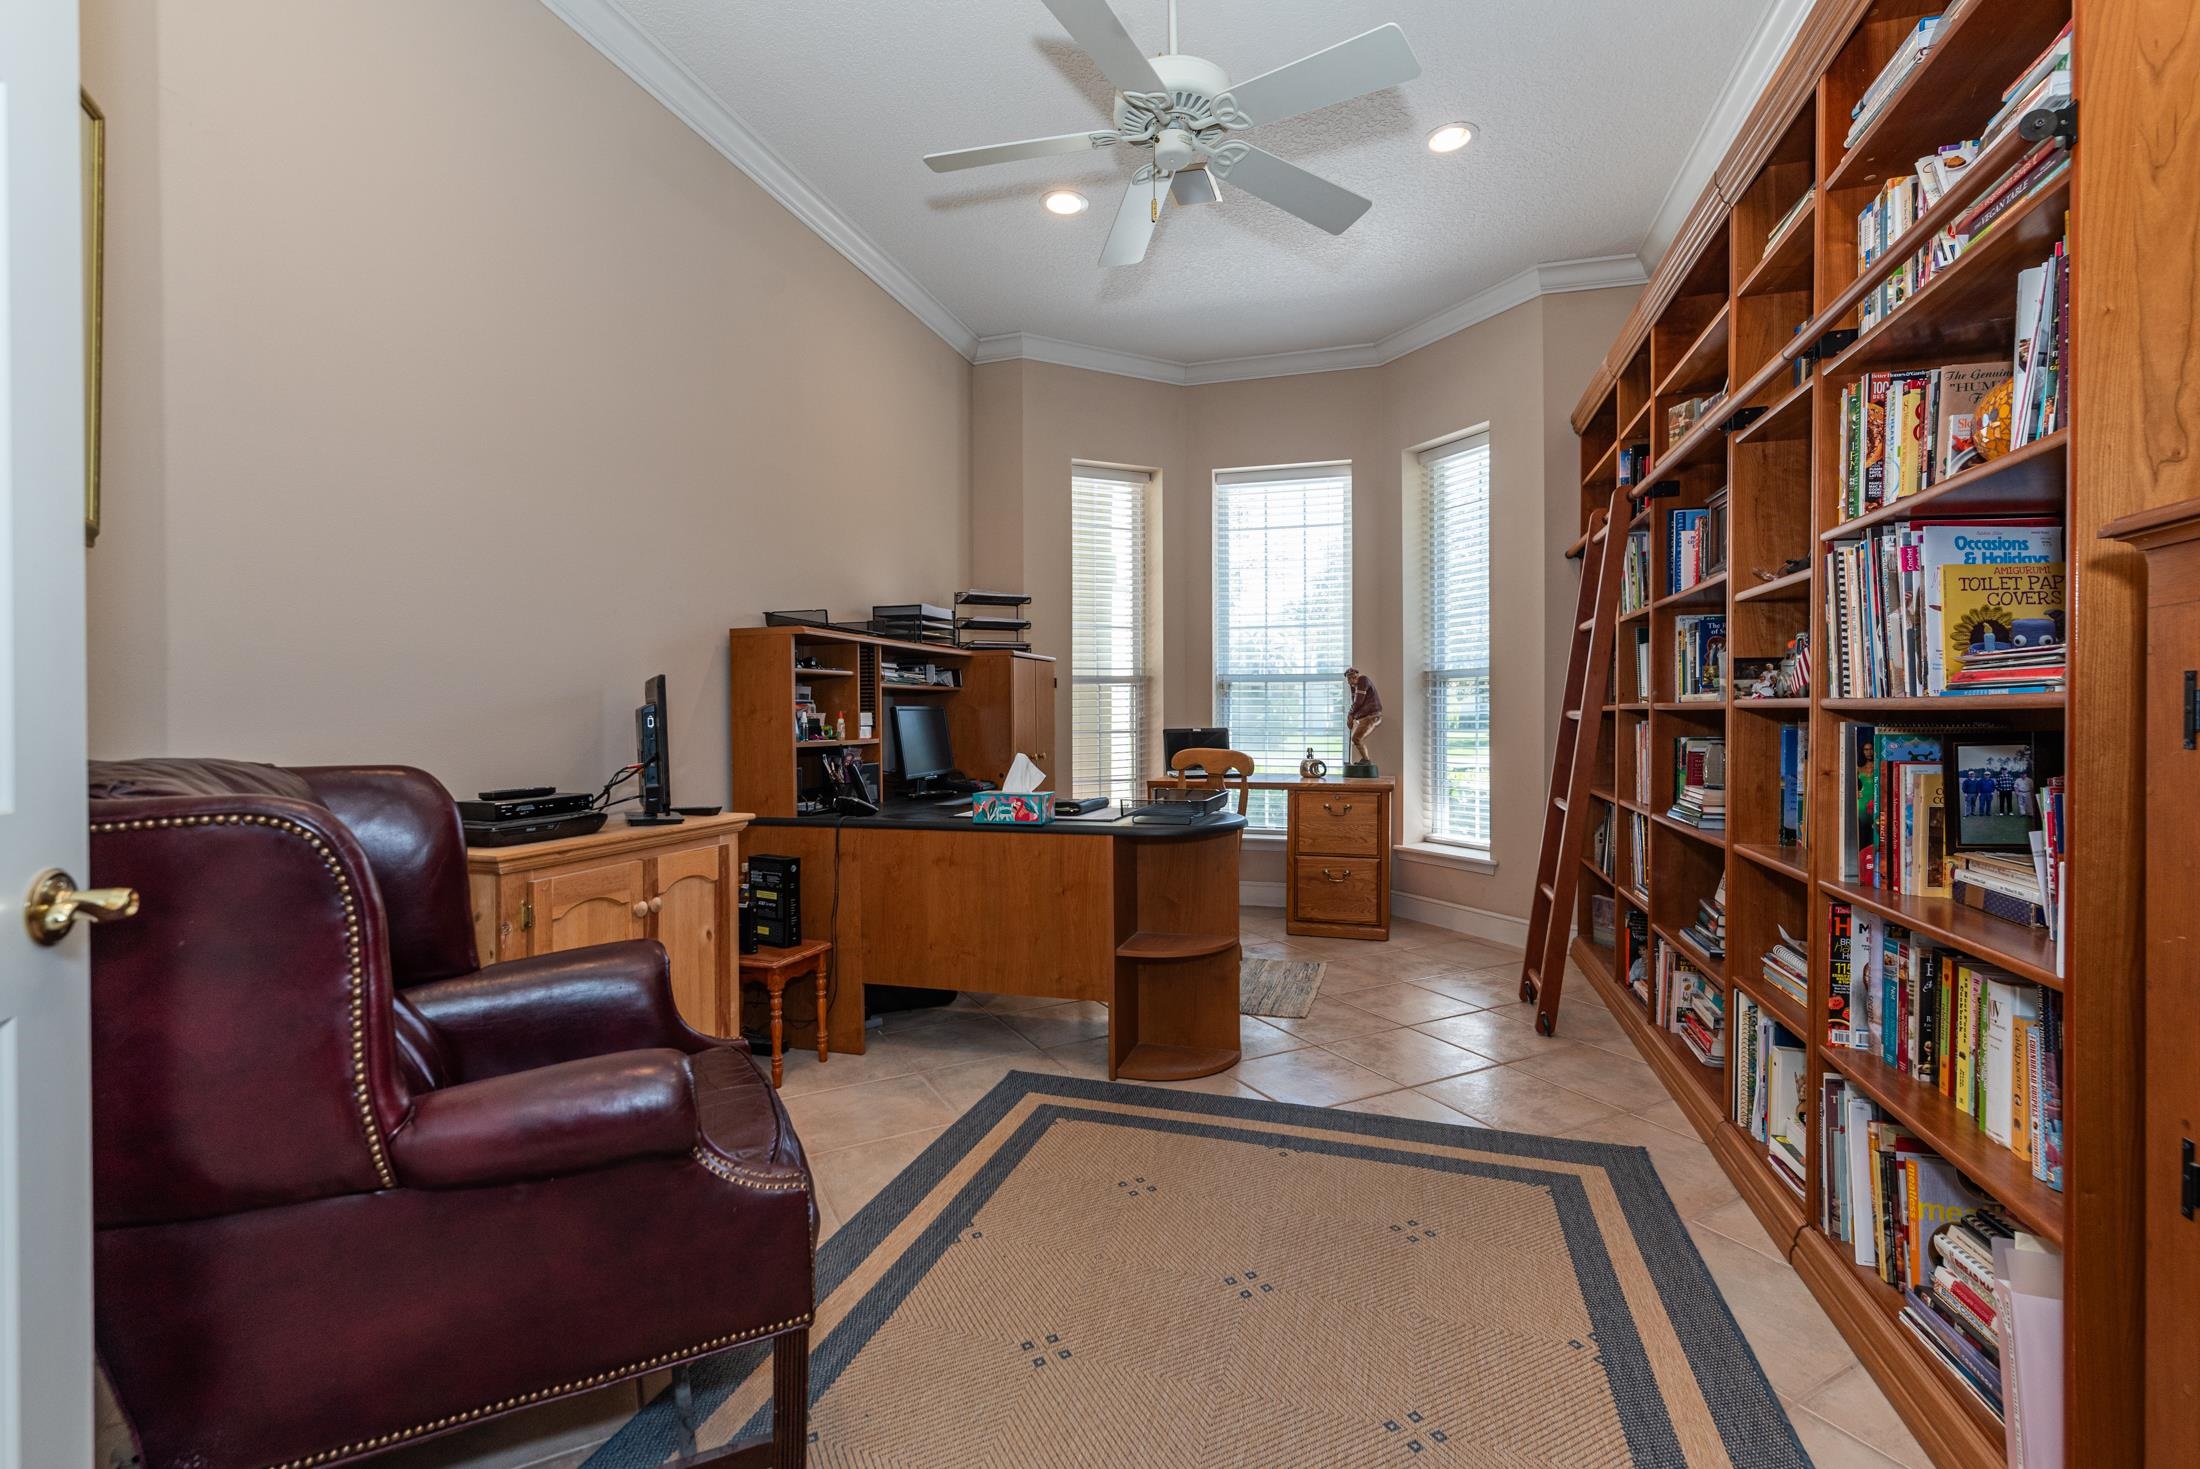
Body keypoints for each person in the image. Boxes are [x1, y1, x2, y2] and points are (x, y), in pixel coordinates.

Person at [1344, 667, 1383, 768]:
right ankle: (1365, 759)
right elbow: (1355, 703)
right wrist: (1352, 716)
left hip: (1371, 715)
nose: (1352, 680)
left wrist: (1350, 714)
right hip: (1364, 717)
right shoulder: (1354, 687)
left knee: (1356, 738)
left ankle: (1366, 760)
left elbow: (1358, 702)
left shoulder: (1363, 680)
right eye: (1349, 678)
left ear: (1357, 676)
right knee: (1355, 739)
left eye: (1354, 677)